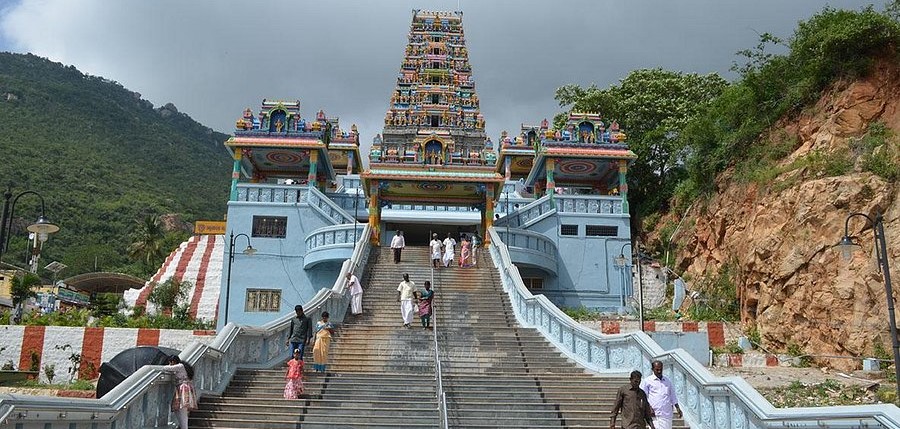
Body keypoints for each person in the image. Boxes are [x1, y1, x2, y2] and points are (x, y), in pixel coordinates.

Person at [641, 361, 682, 429]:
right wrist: (648, 407)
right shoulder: (647, 381)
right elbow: (642, 396)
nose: (659, 371)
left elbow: (673, 396)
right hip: (655, 414)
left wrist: (678, 408)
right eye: (657, 369)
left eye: (661, 369)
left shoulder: (667, 381)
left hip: (667, 414)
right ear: (652, 369)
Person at [164, 355, 197, 429]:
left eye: (170, 362)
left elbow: (166, 368)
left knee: (182, 409)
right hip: (184, 387)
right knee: (178, 409)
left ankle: (184, 427)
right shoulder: (182, 366)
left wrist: (168, 366)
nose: (170, 364)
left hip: (183, 387)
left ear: (173, 361)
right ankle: (183, 427)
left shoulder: (180, 366)